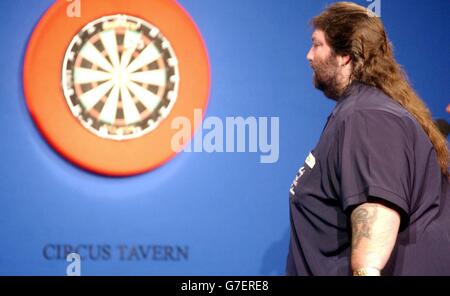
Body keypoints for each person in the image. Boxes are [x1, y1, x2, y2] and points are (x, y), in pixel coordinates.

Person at [286, 2, 449, 276]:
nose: (308, 56)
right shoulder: (360, 111)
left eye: (317, 45)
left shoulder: (367, 115)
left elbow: (377, 214)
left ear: (345, 56)